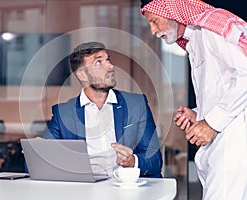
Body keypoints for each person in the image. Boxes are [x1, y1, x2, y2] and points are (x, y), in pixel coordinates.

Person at [140, 0, 247, 199]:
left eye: (155, 21)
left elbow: (245, 75)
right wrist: (199, 114)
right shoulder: (195, 39)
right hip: (221, 139)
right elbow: (221, 89)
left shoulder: (210, 29)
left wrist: (211, 123)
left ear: (171, 11)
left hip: (234, 138)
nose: (153, 30)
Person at [43, 41, 163, 178]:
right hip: (85, 191)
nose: (110, 66)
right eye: (99, 62)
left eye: (108, 60)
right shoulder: (63, 113)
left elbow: (155, 161)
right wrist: (40, 152)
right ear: (82, 75)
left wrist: (133, 161)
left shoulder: (136, 104)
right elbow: (38, 166)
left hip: (126, 189)